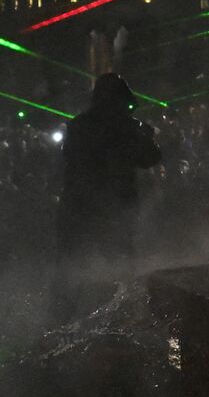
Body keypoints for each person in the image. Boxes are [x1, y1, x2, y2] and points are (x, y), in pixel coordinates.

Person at [54, 73, 162, 318]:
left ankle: (63, 320)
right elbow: (150, 157)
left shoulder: (79, 125)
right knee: (119, 265)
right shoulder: (125, 127)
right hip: (114, 209)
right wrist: (145, 135)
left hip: (78, 206)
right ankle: (117, 318)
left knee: (71, 266)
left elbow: (68, 158)